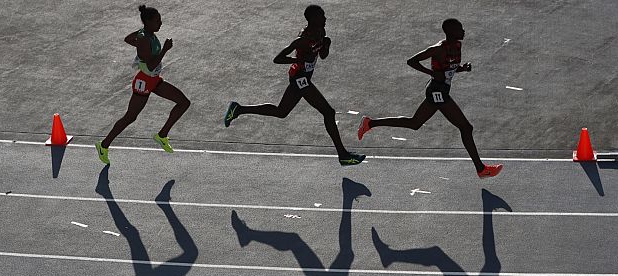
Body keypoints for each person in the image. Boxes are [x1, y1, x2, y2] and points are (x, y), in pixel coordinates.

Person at [357, 19, 502, 178]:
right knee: (466, 128)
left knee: (414, 123)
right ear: (450, 32)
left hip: (441, 91)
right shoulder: (438, 49)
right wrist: (432, 73)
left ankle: (370, 123)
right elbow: (411, 61)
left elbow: (449, 69)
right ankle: (481, 169)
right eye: (459, 28)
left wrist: (462, 68)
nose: (463, 30)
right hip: (437, 92)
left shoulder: (458, 46)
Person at [223, 5, 365, 166]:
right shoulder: (302, 39)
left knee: (281, 111)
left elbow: (322, 56)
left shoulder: (321, 32)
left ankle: (238, 109)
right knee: (328, 112)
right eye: (322, 16)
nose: (325, 18)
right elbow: (278, 58)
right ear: (313, 19)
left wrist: (326, 45)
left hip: (304, 78)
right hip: (299, 78)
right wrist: (297, 60)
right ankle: (343, 155)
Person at [96, 5, 190, 165]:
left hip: (153, 80)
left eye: (160, 20)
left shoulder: (147, 35)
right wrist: (164, 50)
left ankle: (162, 135)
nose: (160, 23)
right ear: (148, 22)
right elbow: (152, 64)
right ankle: (103, 145)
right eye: (157, 21)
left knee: (183, 102)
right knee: (130, 117)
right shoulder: (145, 38)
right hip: (144, 82)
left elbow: (128, 39)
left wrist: (140, 44)